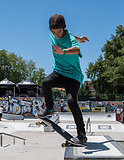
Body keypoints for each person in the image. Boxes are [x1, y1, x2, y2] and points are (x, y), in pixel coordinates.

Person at [38, 14, 89, 145]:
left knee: (72, 102)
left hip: (73, 76)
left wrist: (64, 51)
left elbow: (77, 49)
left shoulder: (68, 36)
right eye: (54, 32)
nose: (57, 35)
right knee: (46, 82)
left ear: (64, 29)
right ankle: (49, 108)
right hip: (59, 72)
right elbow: (72, 35)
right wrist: (80, 38)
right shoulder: (52, 34)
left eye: (59, 32)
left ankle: (81, 135)